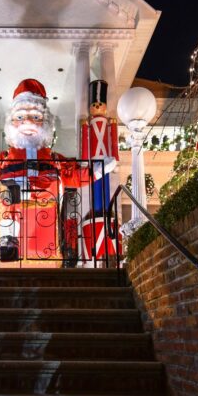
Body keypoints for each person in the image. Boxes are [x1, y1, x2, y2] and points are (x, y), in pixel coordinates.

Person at [0, 78, 85, 264]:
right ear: (11, 122)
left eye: (35, 117)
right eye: (20, 117)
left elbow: (73, 174)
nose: (27, 121)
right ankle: (8, 239)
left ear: (45, 122)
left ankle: (42, 255)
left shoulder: (53, 160)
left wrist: (96, 171)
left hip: (44, 213)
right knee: (5, 190)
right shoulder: (4, 159)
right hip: (13, 206)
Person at [79, 79, 119, 260]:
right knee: (95, 188)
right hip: (95, 162)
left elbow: (113, 139)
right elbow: (86, 141)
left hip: (106, 160)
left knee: (106, 189)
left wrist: (115, 158)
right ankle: (97, 210)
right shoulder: (90, 123)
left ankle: (105, 210)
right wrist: (85, 162)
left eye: (99, 104)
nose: (97, 107)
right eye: (94, 105)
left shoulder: (108, 122)